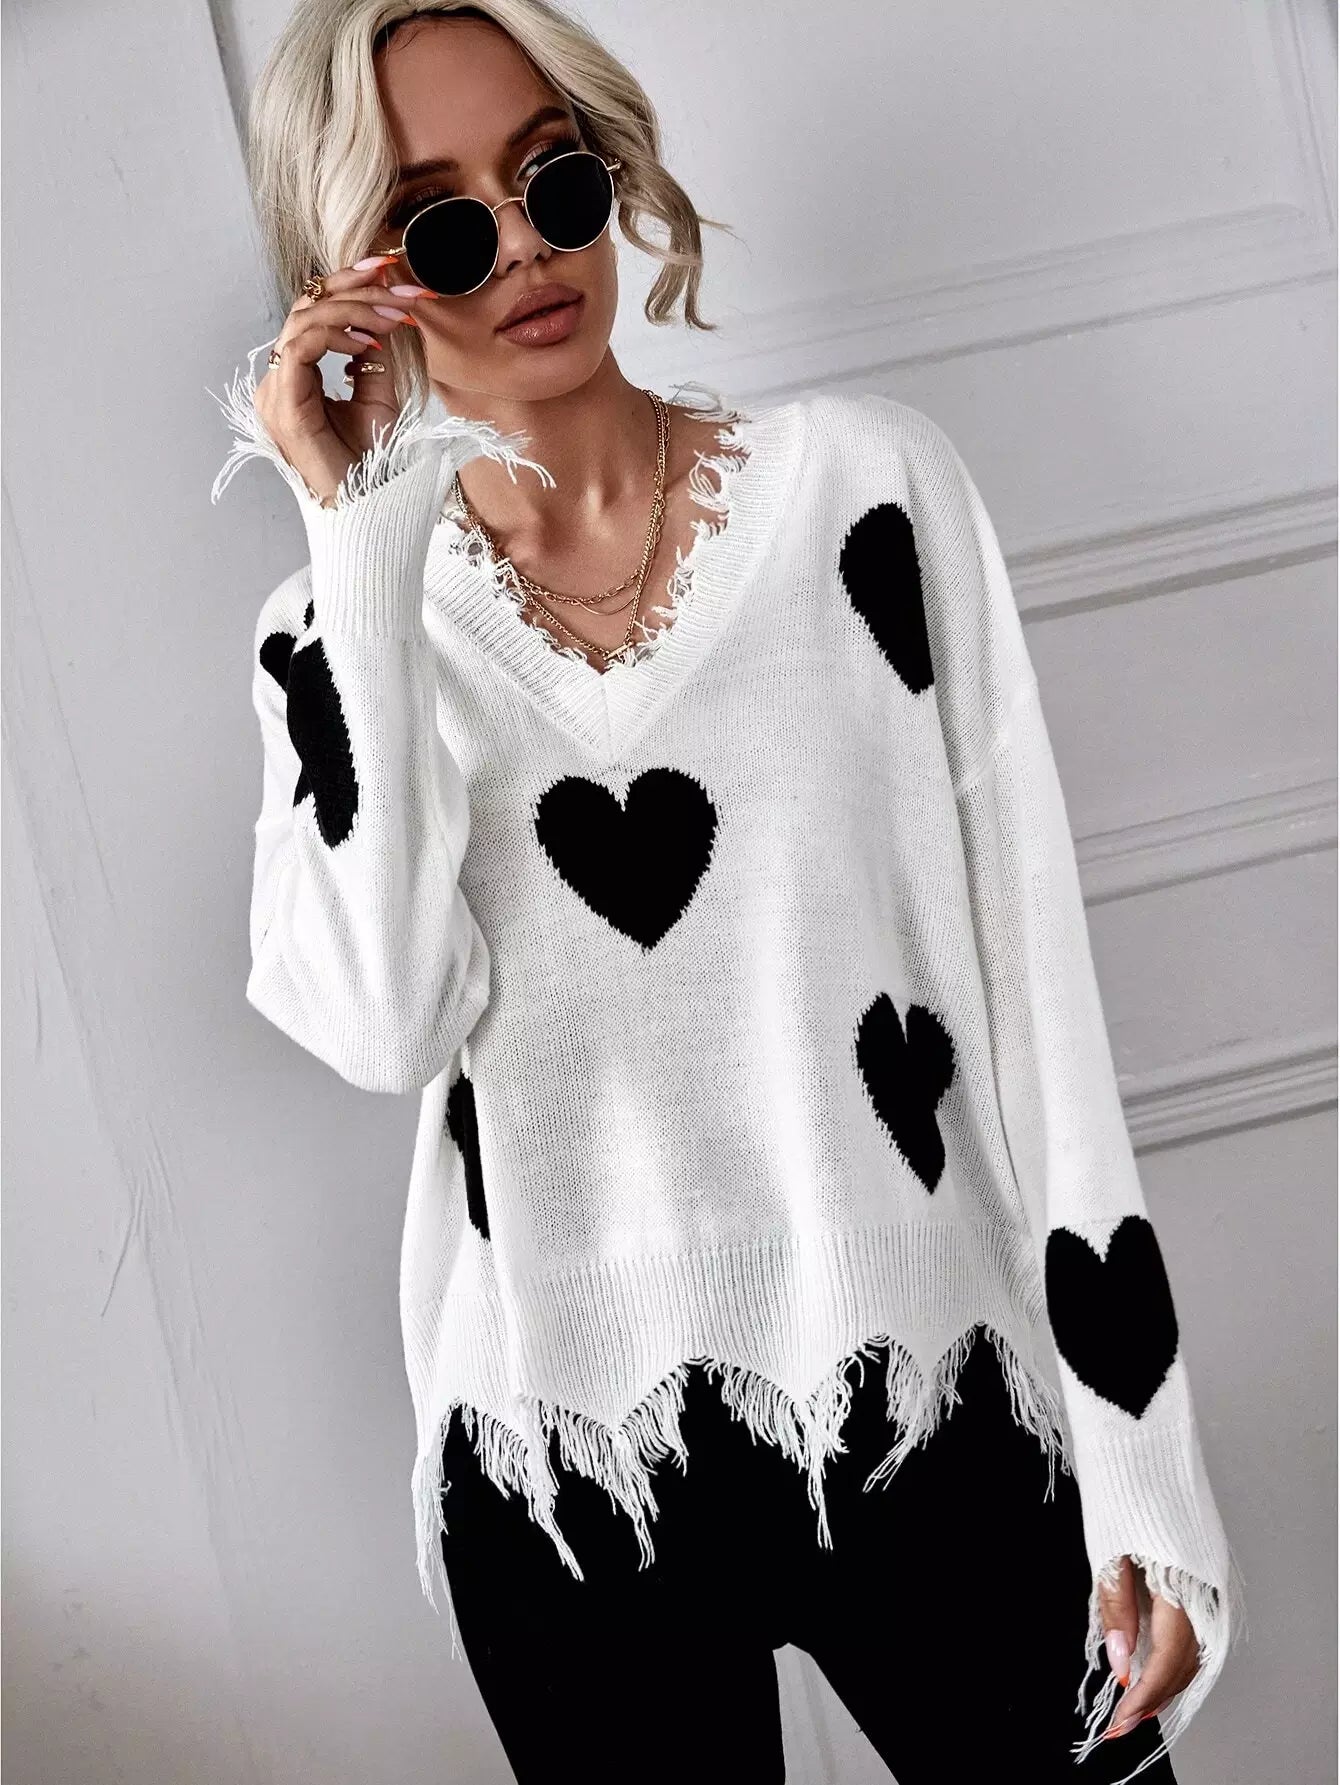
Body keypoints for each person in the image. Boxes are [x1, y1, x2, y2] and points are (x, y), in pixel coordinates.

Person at [210, 4, 1244, 1780]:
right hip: (566, 1475)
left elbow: (1034, 988)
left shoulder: (869, 496)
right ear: (352, 282)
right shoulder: (334, 632)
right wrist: (359, 529)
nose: (524, 246)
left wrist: (1142, 1462)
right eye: (440, 224)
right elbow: (384, 1024)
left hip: (935, 1392)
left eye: (552, 177)